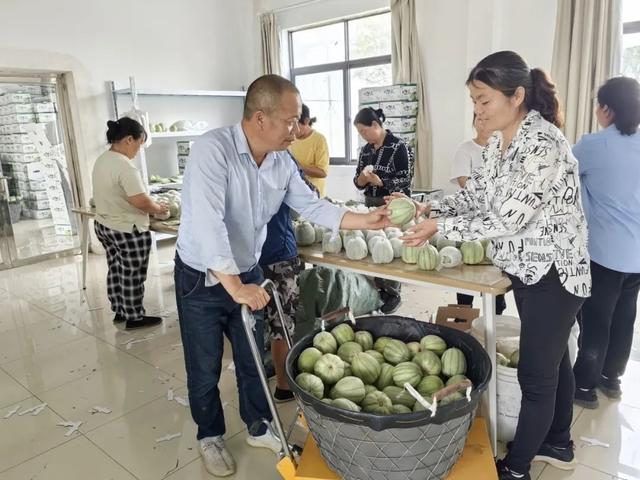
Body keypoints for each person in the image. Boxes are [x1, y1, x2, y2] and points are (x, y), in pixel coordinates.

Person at [174, 74, 389, 478]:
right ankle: (210, 436)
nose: (298, 127)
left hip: (247, 269)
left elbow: (312, 205)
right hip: (202, 274)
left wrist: (366, 221)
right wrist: (234, 286)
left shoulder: (280, 161)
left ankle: (258, 425)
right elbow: (208, 223)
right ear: (260, 118)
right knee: (203, 364)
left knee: (253, 356)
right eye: (290, 120)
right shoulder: (212, 151)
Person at [398, 51, 591, 480]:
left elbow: (508, 217)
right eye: (474, 101)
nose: (478, 111)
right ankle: (558, 442)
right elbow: (476, 199)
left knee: (536, 375)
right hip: (527, 269)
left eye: (484, 100)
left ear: (517, 95)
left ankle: (518, 467)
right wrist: (427, 205)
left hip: (555, 273)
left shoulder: (542, 143)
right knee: (554, 360)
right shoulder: (499, 144)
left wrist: (439, 227)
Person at [572, 76, 640, 409]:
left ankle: (584, 386)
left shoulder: (594, 145)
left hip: (604, 253)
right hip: (636, 255)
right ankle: (611, 379)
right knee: (625, 316)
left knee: (596, 319)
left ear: (607, 110)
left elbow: (561, 175)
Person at [92, 118, 168, 330]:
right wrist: (158, 209)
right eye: (139, 143)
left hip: (104, 224)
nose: (139, 149)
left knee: (116, 268)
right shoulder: (124, 166)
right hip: (126, 228)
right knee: (132, 272)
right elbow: (140, 201)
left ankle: (120, 310)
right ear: (128, 140)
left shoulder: (103, 159)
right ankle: (135, 316)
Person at [259, 153, 319, 404]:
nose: (292, 131)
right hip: (277, 253)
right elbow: (308, 198)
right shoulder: (283, 158)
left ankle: (257, 380)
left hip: (245, 256)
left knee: (254, 322)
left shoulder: (232, 155)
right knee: (281, 324)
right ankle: (284, 386)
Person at [353, 107, 414, 313]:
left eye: (364, 131)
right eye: (360, 133)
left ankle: (392, 292)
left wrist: (381, 182)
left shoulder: (399, 147)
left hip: (393, 205)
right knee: (374, 247)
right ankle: (375, 291)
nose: (363, 136)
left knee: (392, 247)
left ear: (376, 125)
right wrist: (362, 180)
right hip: (370, 204)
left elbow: (405, 179)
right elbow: (358, 181)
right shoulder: (366, 151)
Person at [451, 114, 507, 315]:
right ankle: (463, 320)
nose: (483, 122)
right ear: (474, 122)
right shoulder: (465, 149)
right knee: (467, 274)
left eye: (488, 118)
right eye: (479, 118)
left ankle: (495, 320)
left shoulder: (505, 149)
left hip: (497, 222)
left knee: (493, 273)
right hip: (471, 220)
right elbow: (465, 184)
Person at [289, 104, 330, 196]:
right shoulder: (290, 139)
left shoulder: (319, 140)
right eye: (290, 124)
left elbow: (323, 172)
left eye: (296, 124)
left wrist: (298, 167)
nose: (293, 129)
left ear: (306, 121)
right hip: (295, 195)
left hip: (314, 195)